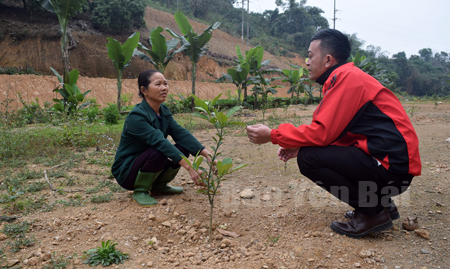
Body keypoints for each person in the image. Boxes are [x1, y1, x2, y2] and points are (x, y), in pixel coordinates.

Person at [246, 29, 421, 239]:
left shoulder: (348, 79)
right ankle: (383, 204)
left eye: (310, 56)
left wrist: (273, 135)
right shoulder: (346, 78)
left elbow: (322, 133)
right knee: (310, 152)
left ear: (328, 60)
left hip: (392, 171)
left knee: (309, 159)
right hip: (392, 166)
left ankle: (372, 212)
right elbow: (337, 135)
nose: (307, 62)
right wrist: (300, 144)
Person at [112, 69, 211, 207]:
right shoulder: (136, 117)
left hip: (148, 160)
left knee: (182, 147)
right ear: (144, 90)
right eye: (158, 84)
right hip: (128, 171)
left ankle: (158, 185)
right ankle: (141, 190)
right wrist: (190, 167)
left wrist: (208, 155)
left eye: (165, 84)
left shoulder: (163, 111)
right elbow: (160, 142)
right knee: (159, 150)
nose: (164, 88)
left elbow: (181, 134)